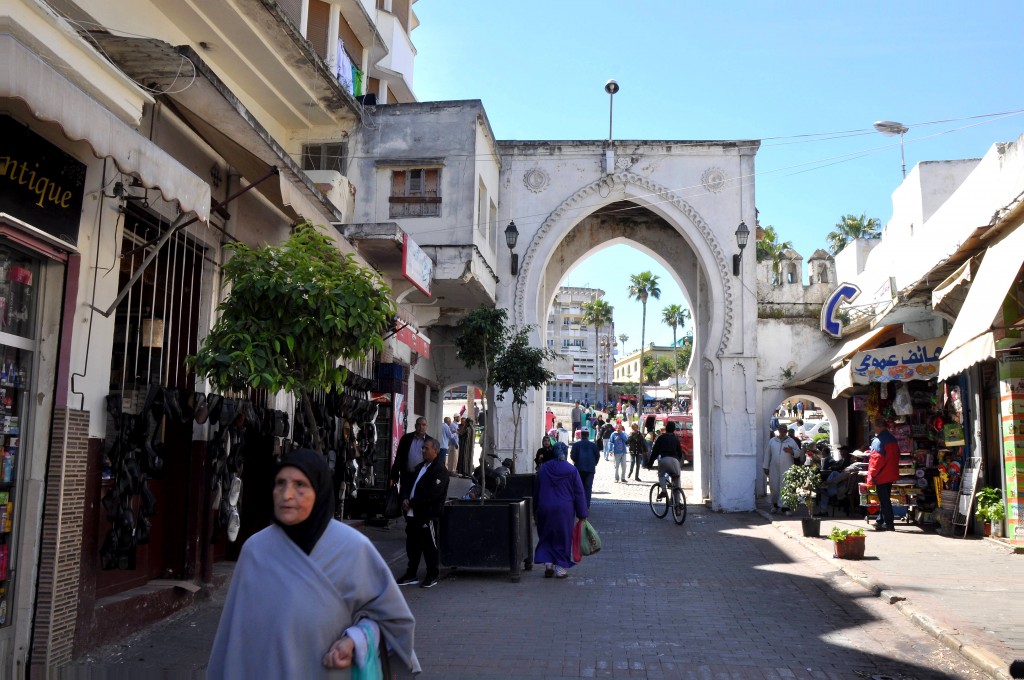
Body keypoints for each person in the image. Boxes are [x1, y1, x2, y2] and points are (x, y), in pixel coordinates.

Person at [208, 449, 420, 678]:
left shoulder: (353, 548)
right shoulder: (255, 551)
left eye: (300, 485)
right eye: (280, 483)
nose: (286, 494)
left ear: (319, 491)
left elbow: (392, 621)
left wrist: (354, 641)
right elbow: (233, 636)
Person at [396, 437, 449, 588]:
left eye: (426, 448)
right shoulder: (420, 467)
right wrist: (405, 498)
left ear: (436, 451)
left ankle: (432, 574)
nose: (423, 451)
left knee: (430, 546)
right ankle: (411, 573)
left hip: (428, 515)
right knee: (412, 545)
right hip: (413, 514)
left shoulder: (440, 471)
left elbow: (432, 494)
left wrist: (411, 502)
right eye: (423, 448)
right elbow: (407, 484)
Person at [534, 442, 588, 579]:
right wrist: (582, 513)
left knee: (546, 534)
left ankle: (548, 564)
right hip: (564, 509)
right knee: (562, 536)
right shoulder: (571, 470)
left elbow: (536, 489)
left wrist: (535, 508)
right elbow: (579, 493)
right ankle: (560, 568)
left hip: (545, 506)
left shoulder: (544, 468)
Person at [867, 417, 900, 531]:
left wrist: (872, 475)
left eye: (874, 426)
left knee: (884, 499)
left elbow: (877, 460)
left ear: (878, 426)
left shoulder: (878, 441)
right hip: (891, 472)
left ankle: (889, 523)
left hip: (882, 474)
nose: (873, 428)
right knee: (884, 498)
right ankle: (880, 520)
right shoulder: (892, 438)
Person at [389, 416, 428, 498]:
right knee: (404, 498)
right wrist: (395, 473)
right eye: (419, 425)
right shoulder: (406, 439)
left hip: (422, 477)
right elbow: (399, 456)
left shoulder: (429, 441)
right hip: (407, 475)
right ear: (415, 426)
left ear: (426, 426)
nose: (421, 427)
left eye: (423, 425)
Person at [649, 421, 682, 499]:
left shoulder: (661, 438)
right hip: (675, 460)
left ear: (666, 429)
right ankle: (678, 502)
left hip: (664, 459)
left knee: (661, 475)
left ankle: (664, 491)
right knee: (677, 480)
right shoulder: (676, 439)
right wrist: (678, 461)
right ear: (674, 429)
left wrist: (650, 464)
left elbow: (655, 452)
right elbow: (680, 453)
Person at [761, 426, 791, 514]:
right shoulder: (772, 441)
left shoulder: (790, 441)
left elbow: (797, 453)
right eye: (781, 430)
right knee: (774, 486)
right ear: (779, 431)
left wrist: (791, 451)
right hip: (774, 468)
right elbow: (767, 454)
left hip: (786, 468)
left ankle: (785, 507)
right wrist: (766, 466)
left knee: (785, 486)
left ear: (786, 431)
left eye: (784, 430)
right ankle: (774, 505)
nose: (782, 432)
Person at [569, 429, 600, 508]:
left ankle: (579, 504)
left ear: (581, 435)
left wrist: (577, 461)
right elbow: (597, 456)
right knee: (588, 488)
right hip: (590, 469)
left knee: (579, 487)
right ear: (588, 435)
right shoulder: (593, 445)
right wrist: (594, 464)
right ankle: (586, 505)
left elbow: (572, 456)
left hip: (579, 468)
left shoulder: (576, 445)